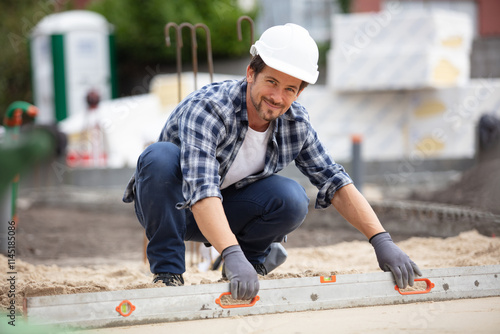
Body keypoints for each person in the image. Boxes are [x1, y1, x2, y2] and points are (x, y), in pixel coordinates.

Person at [123, 23, 421, 300]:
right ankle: (168, 273)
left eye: (290, 89)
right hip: (173, 208)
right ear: (251, 73)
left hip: (226, 211)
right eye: (272, 82)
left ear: (300, 91)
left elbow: (335, 181)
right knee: (159, 157)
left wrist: (381, 240)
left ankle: (249, 266)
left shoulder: (295, 123)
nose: (277, 97)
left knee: (291, 197)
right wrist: (230, 251)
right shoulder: (210, 108)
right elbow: (201, 190)